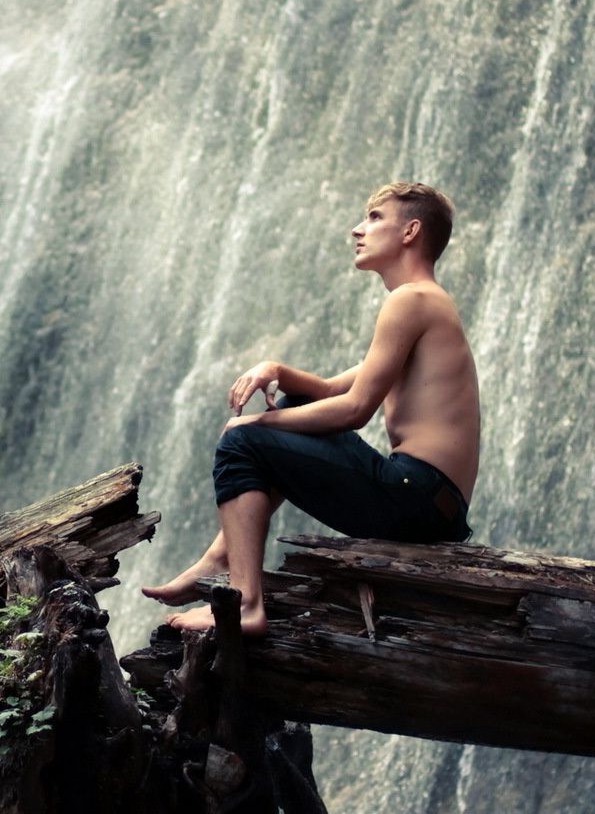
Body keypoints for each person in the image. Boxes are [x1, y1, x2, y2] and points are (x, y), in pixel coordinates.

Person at [143, 182, 480, 635]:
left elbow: (355, 409)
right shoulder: (425, 304)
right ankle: (222, 556)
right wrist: (275, 367)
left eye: (375, 217)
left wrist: (255, 423)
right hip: (431, 503)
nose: (358, 229)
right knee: (295, 405)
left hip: (414, 496)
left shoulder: (411, 301)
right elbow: (327, 390)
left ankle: (245, 605)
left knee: (241, 442)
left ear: (411, 231)